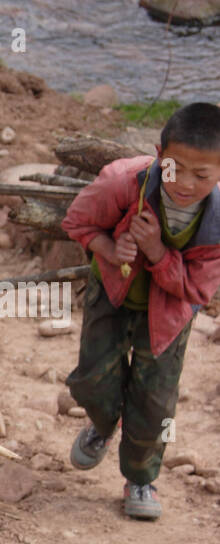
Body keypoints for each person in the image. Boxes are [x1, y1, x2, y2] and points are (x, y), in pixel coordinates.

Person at [62, 102, 220, 519]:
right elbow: (78, 222)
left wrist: (156, 251)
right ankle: (102, 423)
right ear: (158, 153)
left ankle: (140, 478)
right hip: (113, 295)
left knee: (153, 401)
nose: (184, 183)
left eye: (201, 175)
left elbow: (196, 288)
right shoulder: (124, 181)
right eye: (174, 168)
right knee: (92, 381)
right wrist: (112, 249)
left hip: (169, 314)